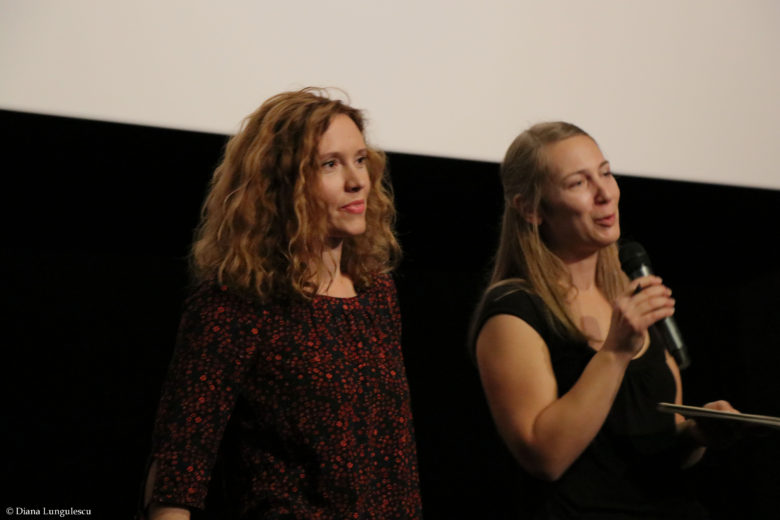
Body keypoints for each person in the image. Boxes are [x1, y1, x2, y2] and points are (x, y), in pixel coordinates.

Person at [142, 88, 422, 519]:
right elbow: (180, 465)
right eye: (330, 164)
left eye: (360, 160)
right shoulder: (237, 302)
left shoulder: (374, 291)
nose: (357, 181)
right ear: (281, 183)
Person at [469, 121, 738, 518]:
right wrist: (614, 352)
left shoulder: (627, 292)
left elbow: (658, 445)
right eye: (578, 183)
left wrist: (697, 433)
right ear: (531, 208)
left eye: (606, 173)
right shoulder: (513, 311)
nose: (605, 193)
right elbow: (545, 457)